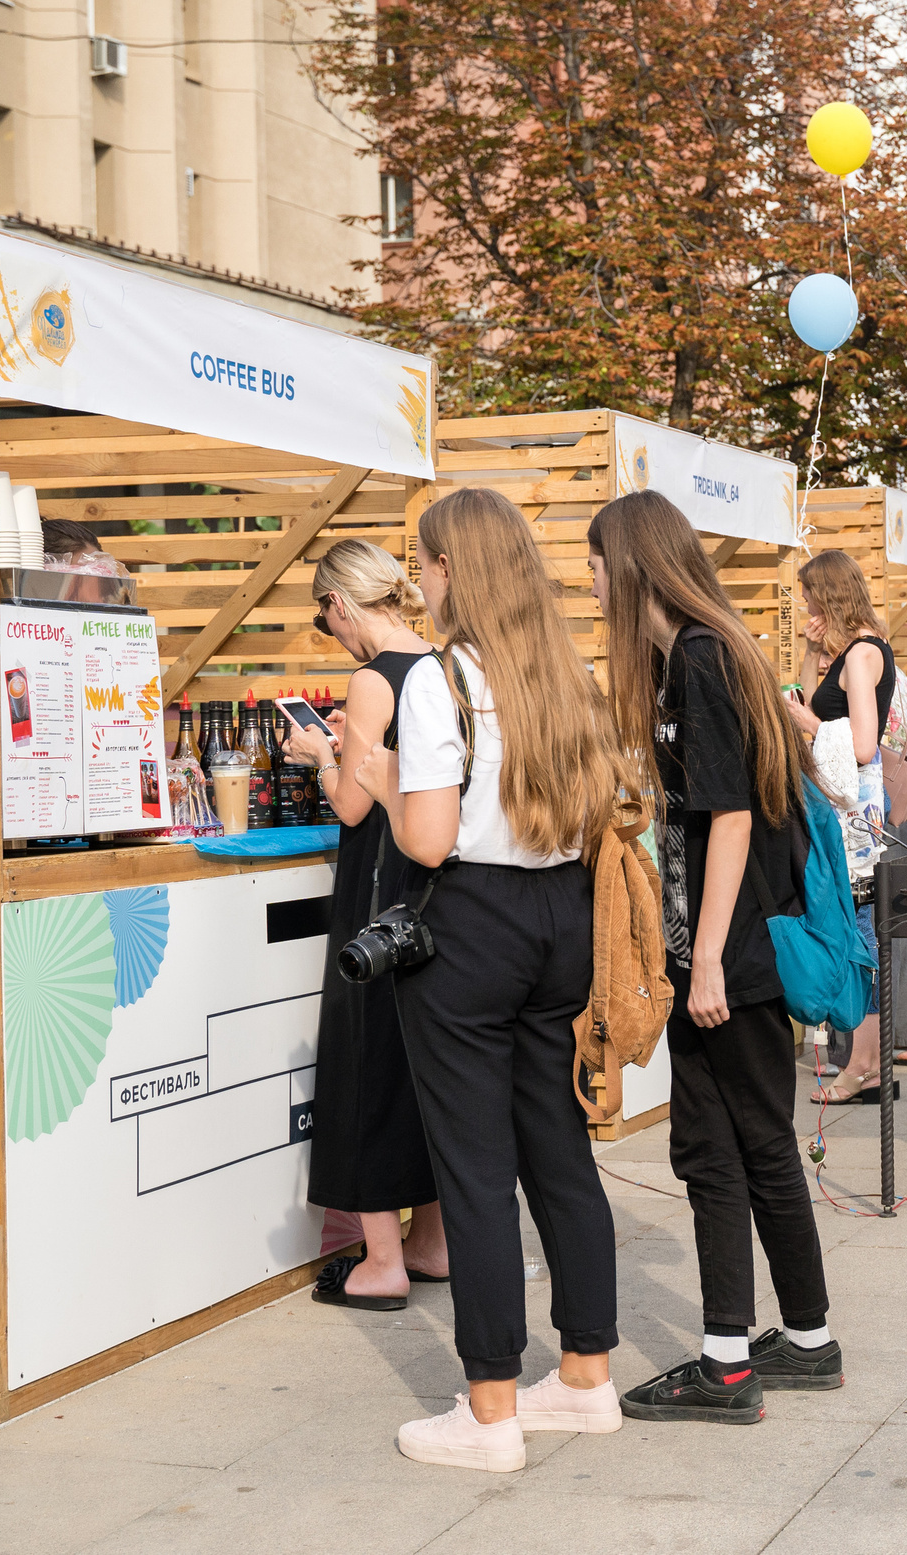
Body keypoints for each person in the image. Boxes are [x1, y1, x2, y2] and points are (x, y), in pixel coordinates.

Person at [356, 487, 631, 1468]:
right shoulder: (564, 672)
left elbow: (428, 839)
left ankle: (489, 1410)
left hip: (469, 925)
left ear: (451, 569)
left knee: (474, 1169)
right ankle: (587, 1377)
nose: (420, 580)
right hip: (560, 916)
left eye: (424, 562)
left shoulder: (442, 680)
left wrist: (379, 780)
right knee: (558, 1152)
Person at [588, 492, 844, 1423]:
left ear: (632, 566)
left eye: (596, 563)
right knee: (752, 1141)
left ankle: (729, 1364)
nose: (590, 581)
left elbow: (729, 817)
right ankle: (804, 1339)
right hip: (732, 947)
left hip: (729, 954)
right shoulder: (699, 654)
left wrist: (702, 965)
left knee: (718, 1146)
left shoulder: (700, 657)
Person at [280, 539, 449, 1308]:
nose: (334, 634)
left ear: (339, 603)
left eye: (327, 619)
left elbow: (352, 804)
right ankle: (431, 1242)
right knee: (418, 1064)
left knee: (365, 1059)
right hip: (425, 882)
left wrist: (320, 752)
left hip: (376, 883)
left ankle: (382, 1261)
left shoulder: (374, 679)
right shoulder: (438, 665)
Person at [781, 549, 907, 1098]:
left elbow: (864, 744)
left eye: (809, 598)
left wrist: (809, 722)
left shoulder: (864, 655)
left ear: (829, 597)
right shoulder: (851, 652)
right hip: (843, 812)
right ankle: (863, 1060)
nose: (805, 608)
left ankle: (864, 1063)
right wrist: (809, 653)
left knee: (861, 932)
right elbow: (810, 702)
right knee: (854, 928)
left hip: (854, 820)